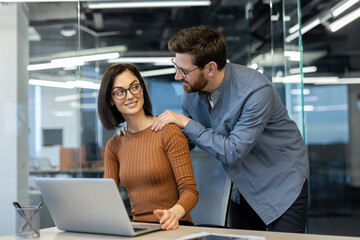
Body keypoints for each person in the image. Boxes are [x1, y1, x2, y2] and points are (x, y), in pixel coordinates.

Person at [151, 26, 310, 233]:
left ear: (210, 68)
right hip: (243, 186)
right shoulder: (192, 91)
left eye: (184, 71)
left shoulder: (256, 91)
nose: (177, 77)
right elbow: (186, 139)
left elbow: (233, 152)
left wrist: (186, 123)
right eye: (176, 66)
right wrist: (145, 133)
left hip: (280, 185)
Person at [97, 63, 198, 230]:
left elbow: (190, 191)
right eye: (120, 92)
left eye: (134, 87)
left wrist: (174, 213)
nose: (130, 96)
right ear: (111, 100)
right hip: (139, 229)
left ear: (142, 89)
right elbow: (108, 199)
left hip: (175, 227)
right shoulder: (114, 146)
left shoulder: (168, 131)